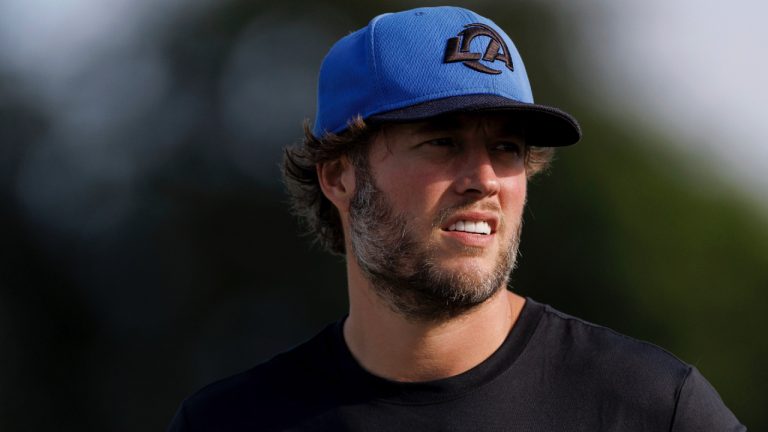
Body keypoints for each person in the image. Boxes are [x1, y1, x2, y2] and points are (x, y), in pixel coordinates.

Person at [168, 6, 745, 431]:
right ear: (339, 176)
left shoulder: (653, 409)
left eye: (508, 149)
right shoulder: (230, 422)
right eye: (442, 142)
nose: (486, 179)